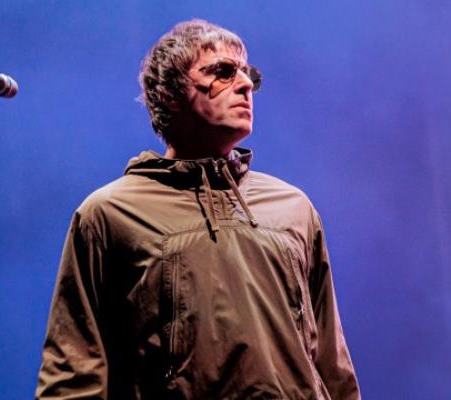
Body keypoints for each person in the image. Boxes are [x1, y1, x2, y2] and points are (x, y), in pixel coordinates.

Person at [36, 19, 360, 400]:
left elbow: (331, 362)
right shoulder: (109, 214)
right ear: (169, 93)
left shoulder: (293, 208)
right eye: (222, 71)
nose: (244, 85)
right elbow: (74, 372)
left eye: (247, 74)